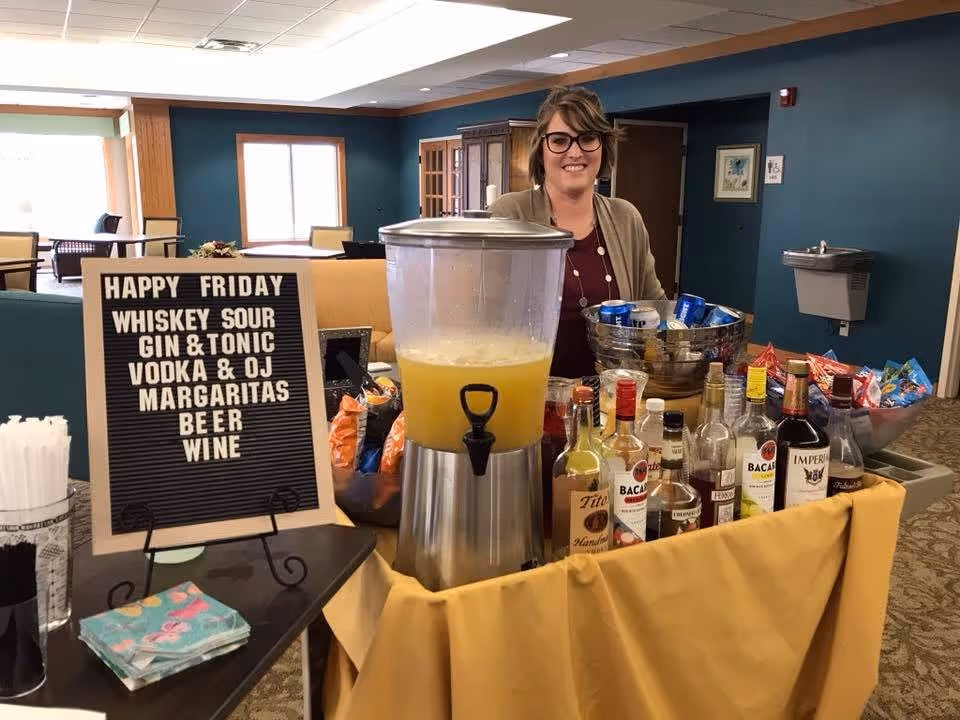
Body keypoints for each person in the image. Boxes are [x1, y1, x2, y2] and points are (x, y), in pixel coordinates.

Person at [490, 85, 666, 379]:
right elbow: (484, 318)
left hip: (612, 404)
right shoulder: (510, 216)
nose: (575, 152)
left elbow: (653, 309)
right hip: (530, 401)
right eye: (560, 140)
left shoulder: (626, 218)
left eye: (587, 138)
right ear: (541, 149)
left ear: (602, 145)